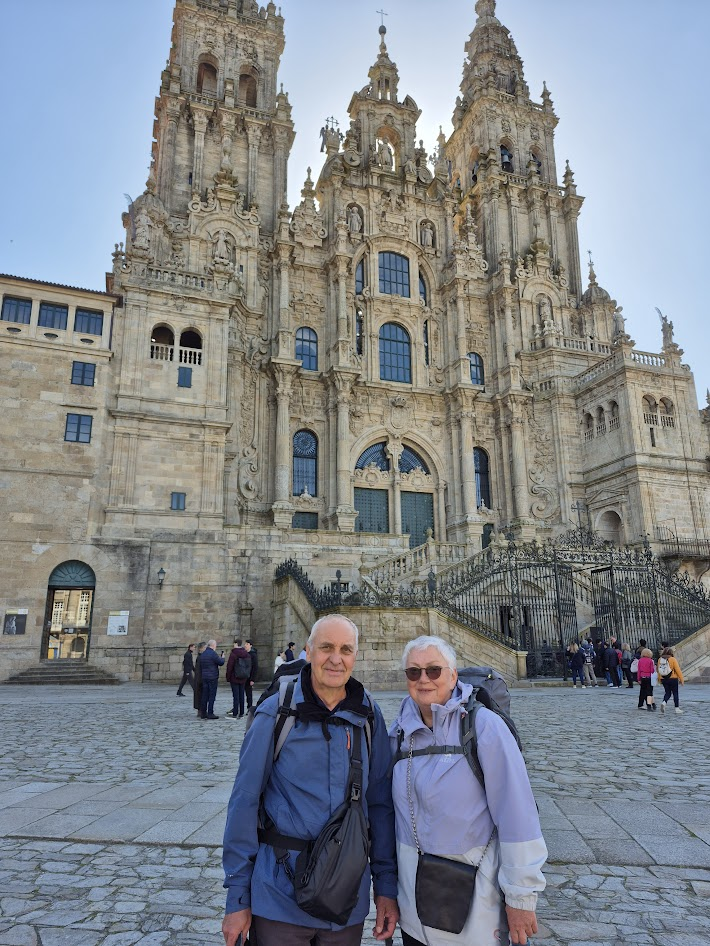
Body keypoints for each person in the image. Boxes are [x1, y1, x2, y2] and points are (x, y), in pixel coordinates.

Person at [221, 615, 398, 946]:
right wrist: (238, 898)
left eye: (346, 649)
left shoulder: (367, 716)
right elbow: (244, 801)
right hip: (280, 897)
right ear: (308, 651)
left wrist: (386, 886)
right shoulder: (276, 714)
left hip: (346, 899)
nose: (336, 658)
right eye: (326, 647)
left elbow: (380, 806)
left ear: (355, 656)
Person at [390, 636, 546, 946]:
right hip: (414, 908)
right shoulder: (398, 733)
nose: (423, 679)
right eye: (413, 672)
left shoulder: (484, 727)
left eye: (434, 670)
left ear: (452, 675)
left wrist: (520, 896)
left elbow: (517, 815)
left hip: (477, 907)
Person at [226, 639, 252, 719]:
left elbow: (230, 666)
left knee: (236, 696)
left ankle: (235, 713)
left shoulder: (233, 653)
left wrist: (228, 676)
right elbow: (249, 665)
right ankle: (241, 712)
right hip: (243, 677)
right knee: (241, 695)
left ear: (236, 644)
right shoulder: (246, 654)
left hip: (234, 677)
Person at [200, 640, 225, 720]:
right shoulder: (213, 654)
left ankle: (203, 713)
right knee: (211, 695)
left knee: (205, 695)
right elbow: (220, 662)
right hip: (212, 677)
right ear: (213, 645)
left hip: (204, 677)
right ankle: (210, 713)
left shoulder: (203, 654)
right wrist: (223, 657)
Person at [658, 647, 684, 714]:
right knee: (675, 693)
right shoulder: (673, 659)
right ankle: (677, 708)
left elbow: (658, 670)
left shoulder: (660, 659)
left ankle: (664, 702)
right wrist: (681, 679)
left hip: (664, 678)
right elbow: (677, 669)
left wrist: (659, 679)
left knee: (667, 692)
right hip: (673, 678)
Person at [193, 642, 207, 718]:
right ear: (201, 648)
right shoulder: (200, 657)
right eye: (205, 647)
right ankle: (200, 710)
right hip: (200, 680)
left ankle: (201, 710)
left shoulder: (201, 657)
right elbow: (198, 670)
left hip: (200, 679)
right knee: (200, 695)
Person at [245, 640, 258, 711]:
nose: (245, 645)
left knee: (249, 693)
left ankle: (249, 707)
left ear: (250, 645)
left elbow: (255, 667)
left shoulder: (253, 655)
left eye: (247, 644)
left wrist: (253, 679)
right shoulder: (244, 653)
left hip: (249, 677)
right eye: (245, 644)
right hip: (243, 676)